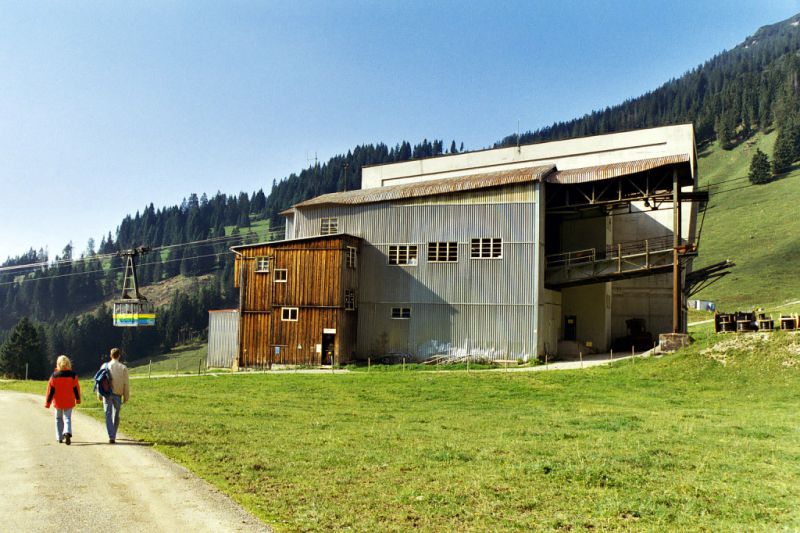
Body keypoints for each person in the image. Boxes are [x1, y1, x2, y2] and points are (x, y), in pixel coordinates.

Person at [44, 355, 81, 445]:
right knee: (67, 418)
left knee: (58, 418)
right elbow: (76, 389)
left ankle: (59, 437)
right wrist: (78, 399)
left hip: (58, 402)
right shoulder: (73, 375)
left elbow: (50, 391)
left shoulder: (54, 376)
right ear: (68, 364)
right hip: (69, 401)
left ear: (58, 364)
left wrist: (48, 403)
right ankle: (67, 432)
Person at [99, 347, 130, 444]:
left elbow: (100, 381)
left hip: (107, 394)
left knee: (108, 414)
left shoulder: (104, 366)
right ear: (119, 356)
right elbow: (126, 383)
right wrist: (126, 396)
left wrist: (99, 394)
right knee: (116, 414)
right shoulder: (123, 367)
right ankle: (114, 434)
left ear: (110, 355)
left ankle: (111, 436)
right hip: (118, 394)